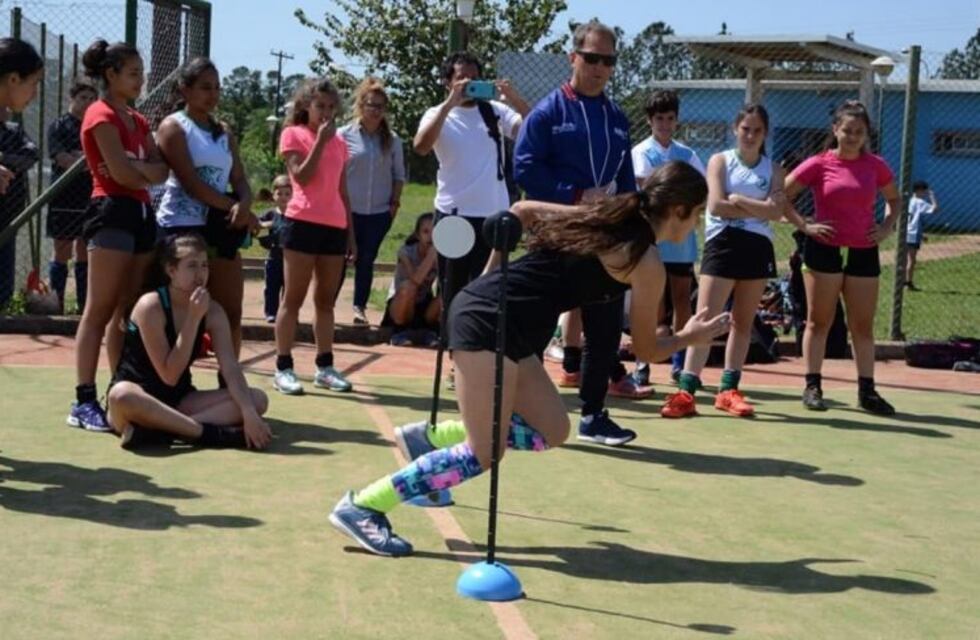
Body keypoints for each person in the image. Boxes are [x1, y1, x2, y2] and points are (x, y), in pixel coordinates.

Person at [328, 161, 731, 556]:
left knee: (552, 429)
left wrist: (489, 277)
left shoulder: (611, 220)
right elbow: (646, 350)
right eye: (695, 215)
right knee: (483, 453)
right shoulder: (646, 262)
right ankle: (365, 505)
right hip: (487, 321)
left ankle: (429, 438)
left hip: (513, 330)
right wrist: (688, 337)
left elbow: (522, 211)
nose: (694, 224)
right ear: (677, 211)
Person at [513, 19, 645, 447]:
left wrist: (625, 214)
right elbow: (525, 167)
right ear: (573, 57)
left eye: (608, 60)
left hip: (602, 239)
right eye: (591, 58)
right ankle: (520, 405)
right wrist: (574, 196)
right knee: (537, 323)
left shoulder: (617, 117)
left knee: (605, 327)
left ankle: (593, 414)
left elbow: (625, 178)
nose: (600, 67)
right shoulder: (550, 111)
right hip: (557, 234)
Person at [661, 104, 785, 419]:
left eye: (757, 130)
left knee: (742, 322)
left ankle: (728, 390)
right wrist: (760, 207)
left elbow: (776, 212)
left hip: (757, 248)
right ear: (735, 129)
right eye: (746, 129)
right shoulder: (720, 161)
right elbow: (716, 205)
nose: (751, 135)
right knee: (706, 318)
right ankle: (686, 392)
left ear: (765, 133)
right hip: (723, 245)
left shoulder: (774, 169)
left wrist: (741, 200)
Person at [70, 39, 169, 432]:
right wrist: (138, 167)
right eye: (133, 74)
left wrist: (136, 166)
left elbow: (160, 171)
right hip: (110, 211)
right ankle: (82, 400)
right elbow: (122, 174)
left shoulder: (138, 120)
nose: (141, 80)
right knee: (99, 309)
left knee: (126, 312)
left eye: (142, 74)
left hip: (142, 213)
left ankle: (120, 391)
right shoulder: (100, 113)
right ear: (110, 75)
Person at [783, 100, 900, 415]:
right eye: (847, 130)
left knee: (861, 326)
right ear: (835, 130)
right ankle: (812, 386)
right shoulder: (818, 163)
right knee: (818, 322)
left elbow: (894, 200)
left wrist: (887, 226)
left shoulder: (876, 165)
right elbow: (782, 195)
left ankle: (867, 391)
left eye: (858, 132)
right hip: (824, 249)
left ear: (866, 135)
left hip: (863, 250)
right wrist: (805, 225)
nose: (852, 137)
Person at [107, 232, 272, 450]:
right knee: (121, 394)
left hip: (180, 401)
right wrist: (193, 319)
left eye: (204, 265)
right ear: (171, 271)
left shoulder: (212, 311)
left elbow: (231, 368)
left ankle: (163, 432)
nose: (200, 273)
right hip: (137, 402)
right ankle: (208, 434)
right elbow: (169, 375)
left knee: (257, 400)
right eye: (192, 266)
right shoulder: (151, 306)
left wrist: (248, 413)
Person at [413, 52, 528, 336]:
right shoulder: (436, 113)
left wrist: (513, 98)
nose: (468, 84)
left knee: (490, 287)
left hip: (493, 215)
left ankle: (482, 350)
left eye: (475, 78)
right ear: (447, 81)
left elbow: (534, 129)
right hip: (454, 215)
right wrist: (449, 104)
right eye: (461, 78)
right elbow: (421, 146)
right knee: (452, 287)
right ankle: (455, 351)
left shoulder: (494, 111)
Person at [156, 57, 257, 356]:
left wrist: (246, 201)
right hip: (181, 228)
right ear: (184, 90)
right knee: (181, 314)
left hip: (219, 227)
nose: (212, 94)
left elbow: (239, 177)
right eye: (204, 87)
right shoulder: (173, 127)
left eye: (216, 88)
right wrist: (236, 208)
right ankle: (171, 384)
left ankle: (229, 384)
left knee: (230, 311)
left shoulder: (224, 131)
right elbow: (191, 184)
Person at [273, 78, 354, 396]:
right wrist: (320, 141)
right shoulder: (293, 134)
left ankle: (325, 367)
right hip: (301, 223)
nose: (326, 112)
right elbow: (301, 177)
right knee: (292, 299)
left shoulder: (341, 143)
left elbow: (342, 190)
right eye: (320, 105)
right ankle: (283, 367)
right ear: (305, 106)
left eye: (331, 107)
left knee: (325, 301)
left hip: (334, 226)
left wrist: (351, 233)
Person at [630, 89, 706, 385]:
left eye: (670, 118)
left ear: (677, 121)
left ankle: (680, 363)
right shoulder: (640, 152)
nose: (664, 124)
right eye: (659, 118)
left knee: (682, 298)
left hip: (681, 242)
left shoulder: (687, 154)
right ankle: (642, 362)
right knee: (652, 303)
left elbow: (699, 189)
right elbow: (644, 190)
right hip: (653, 240)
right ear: (650, 120)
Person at [340, 77, 405, 326]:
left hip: (378, 212)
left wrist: (394, 203)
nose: (376, 111)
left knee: (366, 259)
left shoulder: (393, 140)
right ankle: (327, 307)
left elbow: (399, 175)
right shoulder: (343, 136)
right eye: (371, 105)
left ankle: (359, 307)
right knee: (341, 259)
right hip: (348, 210)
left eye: (380, 106)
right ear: (360, 105)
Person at [46, 80, 98, 313]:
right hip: (64, 195)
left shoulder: (95, 126)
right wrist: (83, 160)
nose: (87, 103)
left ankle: (82, 306)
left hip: (88, 194)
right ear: (72, 99)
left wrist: (80, 159)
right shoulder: (59, 126)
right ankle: (55, 305)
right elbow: (60, 157)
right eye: (83, 98)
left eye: (91, 98)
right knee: (61, 250)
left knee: (84, 250)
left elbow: (98, 159)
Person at [0, 37, 43, 310]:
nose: (35, 93)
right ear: (14, 79)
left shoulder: (11, 128)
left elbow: (31, 154)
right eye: (34, 84)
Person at [0, 106, 39, 308]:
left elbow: (32, 155)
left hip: (10, 203)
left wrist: (2, 157)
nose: (4, 110)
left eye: (5, 107)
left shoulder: (14, 130)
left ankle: (3, 300)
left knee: (6, 248)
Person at [382, 212, 440, 347]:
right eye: (426, 232)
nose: (430, 237)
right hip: (400, 305)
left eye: (434, 232)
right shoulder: (405, 252)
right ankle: (400, 332)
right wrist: (431, 256)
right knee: (409, 287)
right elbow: (416, 280)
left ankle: (431, 332)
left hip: (423, 305)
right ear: (417, 235)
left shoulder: (441, 255)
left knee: (447, 295)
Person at [258, 174, 290, 322]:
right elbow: (257, 225)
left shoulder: (295, 214)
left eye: (287, 194)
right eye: (280, 193)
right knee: (271, 287)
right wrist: (267, 224)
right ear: (273, 195)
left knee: (289, 289)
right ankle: (271, 313)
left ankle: (288, 315)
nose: (283, 197)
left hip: (291, 259)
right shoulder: (270, 213)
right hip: (273, 257)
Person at [905, 181, 938, 291]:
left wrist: (921, 235)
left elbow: (912, 219)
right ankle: (907, 282)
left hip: (905, 232)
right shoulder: (920, 202)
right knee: (911, 260)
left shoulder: (909, 201)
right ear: (919, 190)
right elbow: (935, 209)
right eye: (924, 190)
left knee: (905, 259)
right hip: (913, 234)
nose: (925, 193)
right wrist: (932, 197)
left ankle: (903, 281)